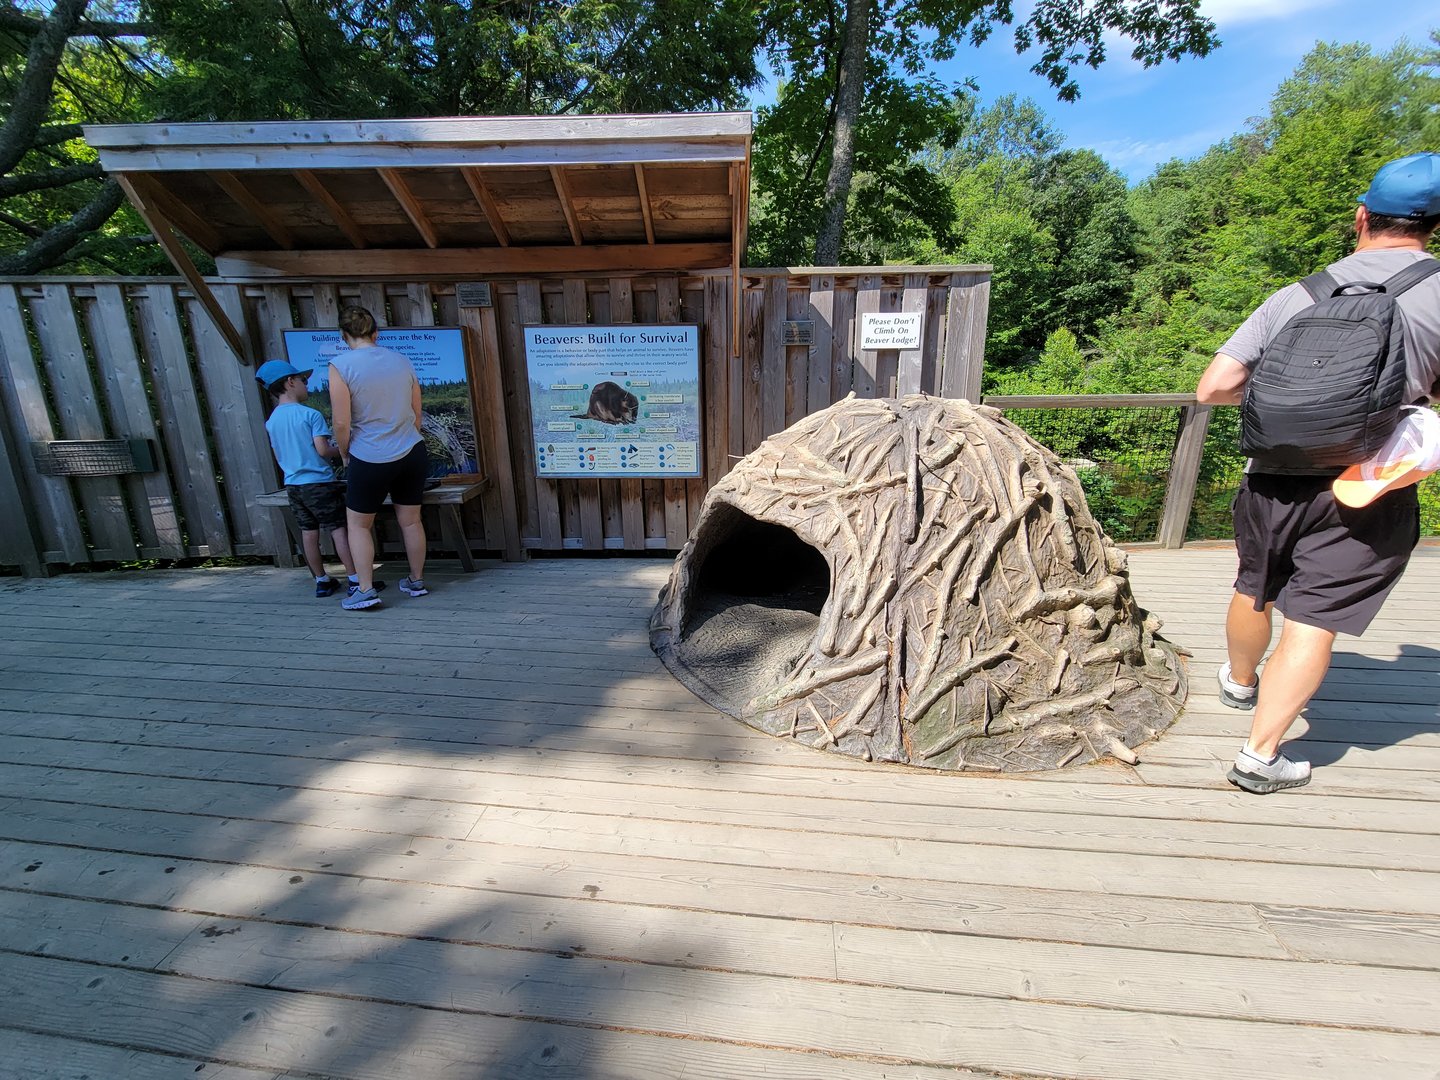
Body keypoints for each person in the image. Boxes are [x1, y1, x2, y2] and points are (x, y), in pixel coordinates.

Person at [1196, 152, 1440, 794]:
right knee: (1315, 617)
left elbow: (1214, 386)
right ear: (1432, 228)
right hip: (1363, 487)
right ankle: (1260, 756)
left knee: (1256, 585)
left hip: (1270, 475)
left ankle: (1239, 682)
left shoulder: (1299, 293)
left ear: (1361, 217)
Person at [329, 305, 430, 610]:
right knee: (411, 521)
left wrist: (346, 453)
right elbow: (416, 412)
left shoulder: (340, 365)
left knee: (359, 525)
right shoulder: (401, 360)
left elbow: (341, 422)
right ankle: (416, 580)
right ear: (376, 333)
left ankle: (365, 588)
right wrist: (407, 437)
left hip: (369, 454)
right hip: (412, 450)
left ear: (344, 335)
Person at [256, 359, 359, 597]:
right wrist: (345, 448)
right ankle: (355, 580)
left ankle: (321, 580)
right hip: (319, 483)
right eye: (304, 380)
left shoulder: (272, 421)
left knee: (308, 533)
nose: (306, 385)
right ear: (290, 382)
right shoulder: (310, 415)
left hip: (293, 485)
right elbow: (323, 450)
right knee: (338, 530)